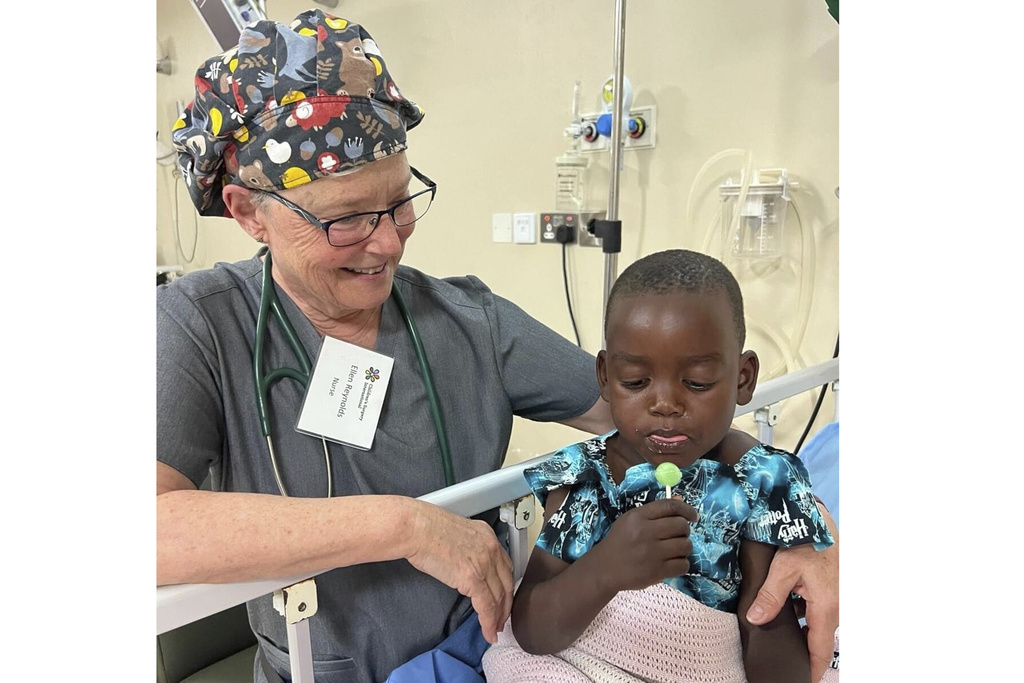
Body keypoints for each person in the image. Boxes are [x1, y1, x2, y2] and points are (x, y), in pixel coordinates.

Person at [157, 9, 839, 682]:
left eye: (400, 203)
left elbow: (651, 416)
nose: (390, 240)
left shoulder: (467, 318)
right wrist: (404, 525)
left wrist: (790, 507)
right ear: (249, 212)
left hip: (478, 657)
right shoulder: (201, 325)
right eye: (348, 219)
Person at [483, 250, 839, 683]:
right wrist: (605, 570)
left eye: (698, 382)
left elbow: (772, 650)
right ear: (605, 377)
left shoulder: (760, 482)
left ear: (743, 378)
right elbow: (533, 631)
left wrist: (764, 584)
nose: (665, 404)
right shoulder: (587, 479)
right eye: (635, 382)